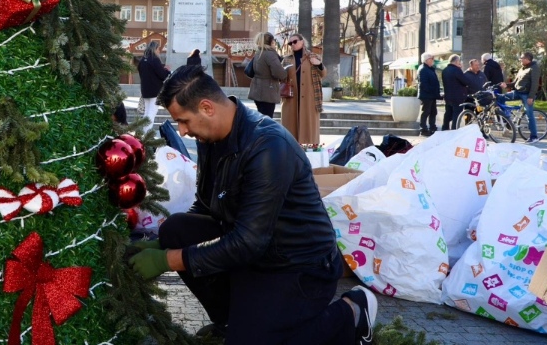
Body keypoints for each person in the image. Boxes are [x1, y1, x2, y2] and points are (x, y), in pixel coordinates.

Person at [127, 64, 378, 344]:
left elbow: (249, 241)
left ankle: (351, 312)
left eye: (183, 121)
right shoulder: (212, 137)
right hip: (252, 252)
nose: (182, 132)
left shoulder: (268, 147)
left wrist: (167, 259)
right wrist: (162, 244)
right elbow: (205, 206)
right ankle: (231, 320)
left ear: (207, 107)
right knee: (175, 229)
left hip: (297, 265)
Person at [280, 33, 326, 144]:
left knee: (309, 125)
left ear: (302, 42)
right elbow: (281, 77)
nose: (293, 45)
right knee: (290, 124)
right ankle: (291, 146)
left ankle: (309, 146)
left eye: (295, 42)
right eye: (290, 43)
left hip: (310, 96)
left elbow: (323, 73)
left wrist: (319, 64)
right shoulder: (286, 60)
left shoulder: (313, 57)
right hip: (291, 96)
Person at [498, 51, 542, 143]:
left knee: (529, 115)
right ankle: (507, 119)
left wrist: (531, 97)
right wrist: (506, 85)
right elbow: (515, 83)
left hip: (527, 95)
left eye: (521, 58)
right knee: (500, 98)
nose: (520, 60)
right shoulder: (522, 69)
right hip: (517, 92)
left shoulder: (534, 68)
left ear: (527, 59)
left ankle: (534, 136)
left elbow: (535, 84)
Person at [247, 32, 288, 118]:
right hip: (268, 91)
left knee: (261, 117)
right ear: (272, 42)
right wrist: (287, 71)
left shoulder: (259, 53)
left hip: (257, 90)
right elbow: (279, 73)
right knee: (267, 120)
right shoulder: (270, 54)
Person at [137, 41, 171, 134]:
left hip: (145, 89)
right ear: (155, 49)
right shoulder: (155, 60)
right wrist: (167, 71)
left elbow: (143, 72)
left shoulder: (142, 60)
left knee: (146, 112)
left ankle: (142, 132)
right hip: (155, 90)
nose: (159, 51)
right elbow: (162, 75)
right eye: (158, 49)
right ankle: (147, 134)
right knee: (152, 113)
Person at [441, 54, 471, 131]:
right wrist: (461, 69)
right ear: (457, 61)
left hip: (448, 95)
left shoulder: (445, 70)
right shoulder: (457, 70)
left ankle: (445, 128)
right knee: (456, 114)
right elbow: (465, 81)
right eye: (459, 61)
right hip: (458, 96)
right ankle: (454, 129)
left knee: (448, 113)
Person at [417, 53, 440, 137]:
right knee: (426, 111)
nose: (433, 60)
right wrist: (431, 91)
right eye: (431, 58)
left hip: (431, 95)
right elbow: (423, 84)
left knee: (433, 112)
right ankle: (423, 129)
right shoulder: (423, 69)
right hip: (427, 95)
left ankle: (432, 127)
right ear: (426, 60)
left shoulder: (430, 69)